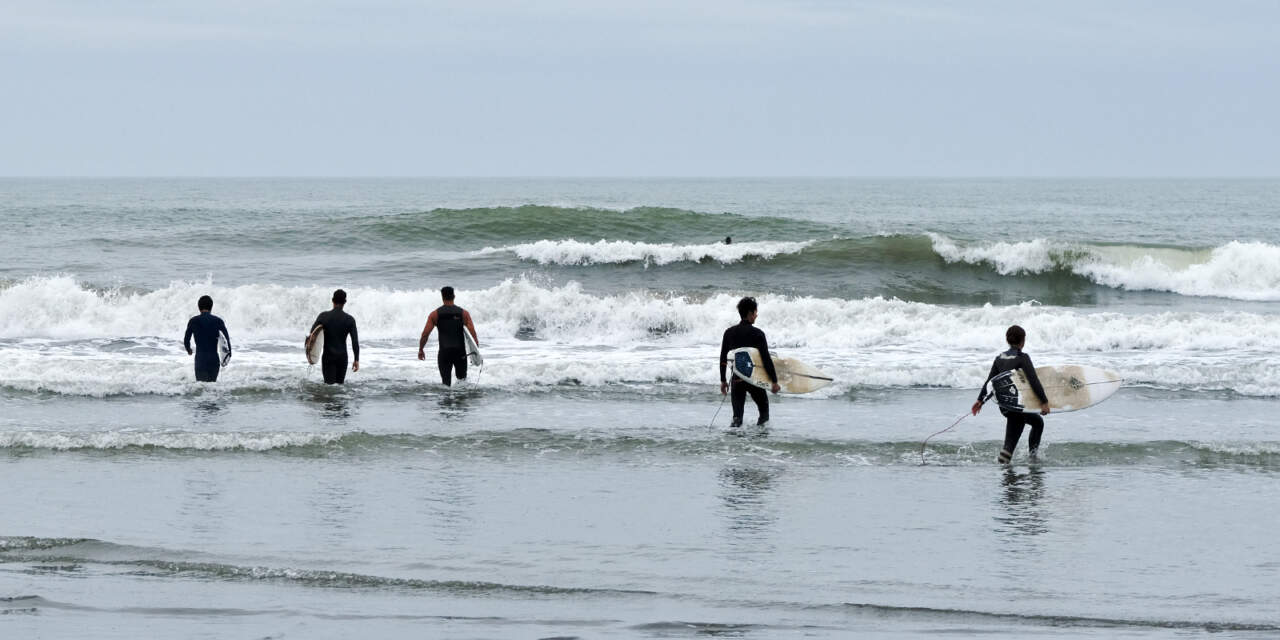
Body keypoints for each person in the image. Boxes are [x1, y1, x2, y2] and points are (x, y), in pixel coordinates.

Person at [972, 325, 1050, 463]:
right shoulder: (1022, 357)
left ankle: (1030, 458)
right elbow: (1033, 380)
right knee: (1009, 449)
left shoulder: (999, 358)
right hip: (1017, 406)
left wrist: (980, 401)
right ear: (1023, 341)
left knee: (1037, 422)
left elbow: (990, 382)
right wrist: (1044, 402)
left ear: (1007, 340)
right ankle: (1030, 460)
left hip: (1004, 406)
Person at [719, 297, 780, 428]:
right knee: (764, 414)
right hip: (754, 380)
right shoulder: (758, 334)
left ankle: (734, 446)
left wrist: (723, 380)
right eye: (755, 312)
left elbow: (724, 358)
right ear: (750, 314)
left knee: (737, 418)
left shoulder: (729, 333)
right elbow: (765, 359)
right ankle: (758, 442)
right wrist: (774, 381)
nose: (756, 315)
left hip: (737, 379)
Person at [417, 286, 479, 386]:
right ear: (454, 296)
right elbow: (472, 333)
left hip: (444, 353)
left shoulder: (435, 314)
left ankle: (447, 401)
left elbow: (425, 334)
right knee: (462, 383)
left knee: (445, 385)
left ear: (442, 297)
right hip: (460, 353)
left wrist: (421, 349)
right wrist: (476, 350)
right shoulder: (464, 313)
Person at [311, 289, 360, 385]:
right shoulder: (350, 320)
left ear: (332, 300)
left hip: (328, 357)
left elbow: (312, 334)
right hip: (342, 358)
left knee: (329, 387)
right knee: (339, 388)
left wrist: (311, 354)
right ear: (345, 302)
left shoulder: (323, 316)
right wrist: (356, 360)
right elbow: (355, 342)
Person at [183, 295, 231, 382]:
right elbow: (227, 340)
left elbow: (186, 340)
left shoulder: (193, 321)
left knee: (202, 388)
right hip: (214, 359)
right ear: (211, 307)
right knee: (212, 388)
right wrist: (227, 356)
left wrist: (189, 350)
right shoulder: (218, 321)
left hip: (200, 359)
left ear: (199, 307)